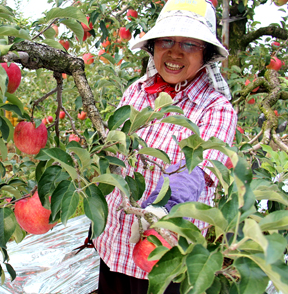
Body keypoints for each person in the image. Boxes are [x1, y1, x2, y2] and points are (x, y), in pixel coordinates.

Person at [92, 0, 237, 293]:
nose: (174, 52)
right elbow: (115, 153)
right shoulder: (137, 91)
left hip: (165, 254)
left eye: (189, 44)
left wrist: (162, 212)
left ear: (207, 55)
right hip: (114, 245)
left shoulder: (215, 109)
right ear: (153, 47)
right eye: (167, 41)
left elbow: (197, 173)